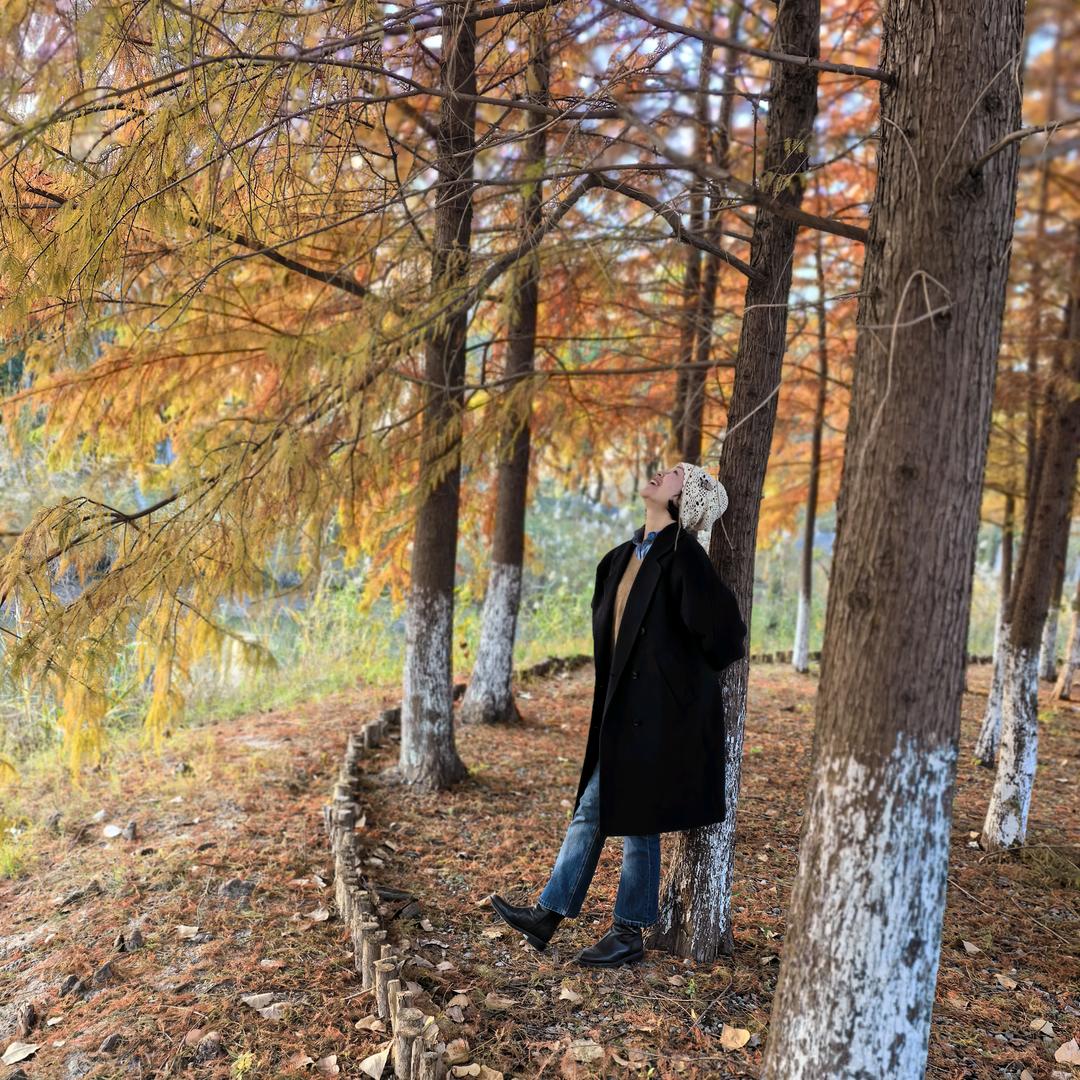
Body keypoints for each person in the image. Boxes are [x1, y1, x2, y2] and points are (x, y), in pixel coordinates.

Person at [489, 462, 748, 967]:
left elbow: (725, 639)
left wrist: (671, 684)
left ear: (685, 501)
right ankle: (551, 915)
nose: (658, 474)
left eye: (674, 475)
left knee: (636, 818)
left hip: (660, 718)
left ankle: (624, 931)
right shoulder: (621, 558)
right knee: (595, 808)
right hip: (620, 712)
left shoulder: (684, 558)